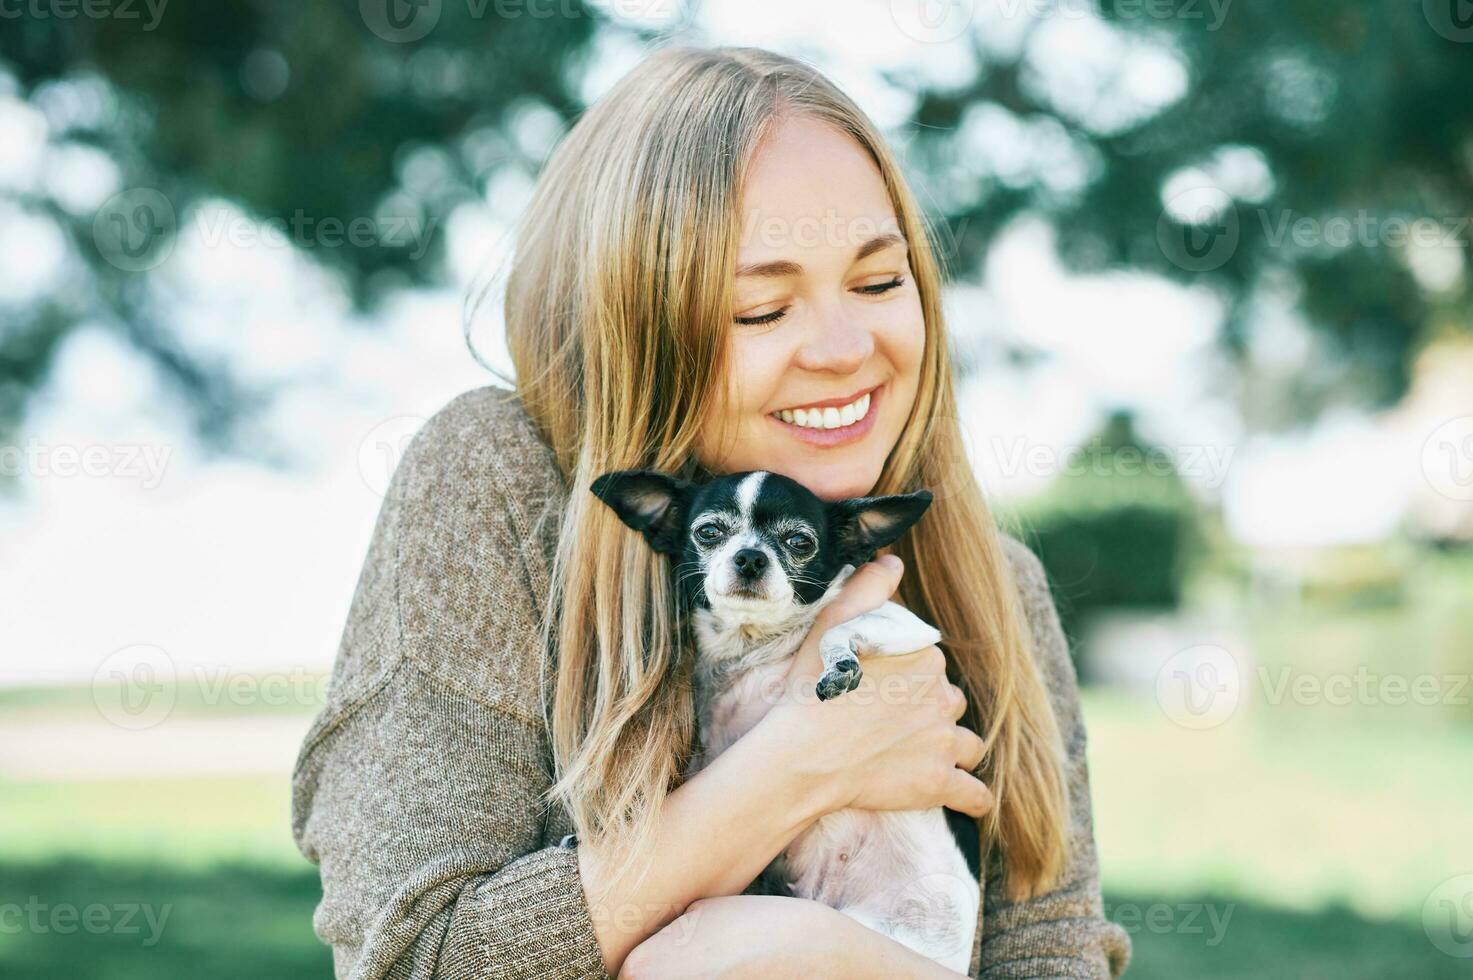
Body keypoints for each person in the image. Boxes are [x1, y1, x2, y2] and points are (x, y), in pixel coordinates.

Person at [291, 44, 1131, 979]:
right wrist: (803, 760)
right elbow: (413, 961)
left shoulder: (989, 580)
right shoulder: (502, 482)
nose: (845, 347)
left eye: (879, 281)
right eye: (762, 309)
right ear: (638, 328)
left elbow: (1051, 953)